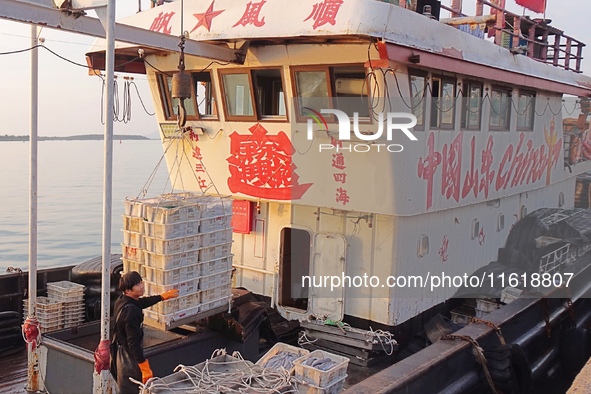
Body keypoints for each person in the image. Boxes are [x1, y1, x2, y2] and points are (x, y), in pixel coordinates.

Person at [112, 271, 179, 394]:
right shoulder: (131, 312)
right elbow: (133, 342)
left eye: (141, 282)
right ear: (128, 290)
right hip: (128, 356)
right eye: (137, 285)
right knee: (132, 387)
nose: (142, 286)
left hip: (120, 350)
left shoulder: (123, 300)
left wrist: (162, 297)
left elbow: (141, 303)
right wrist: (143, 365)